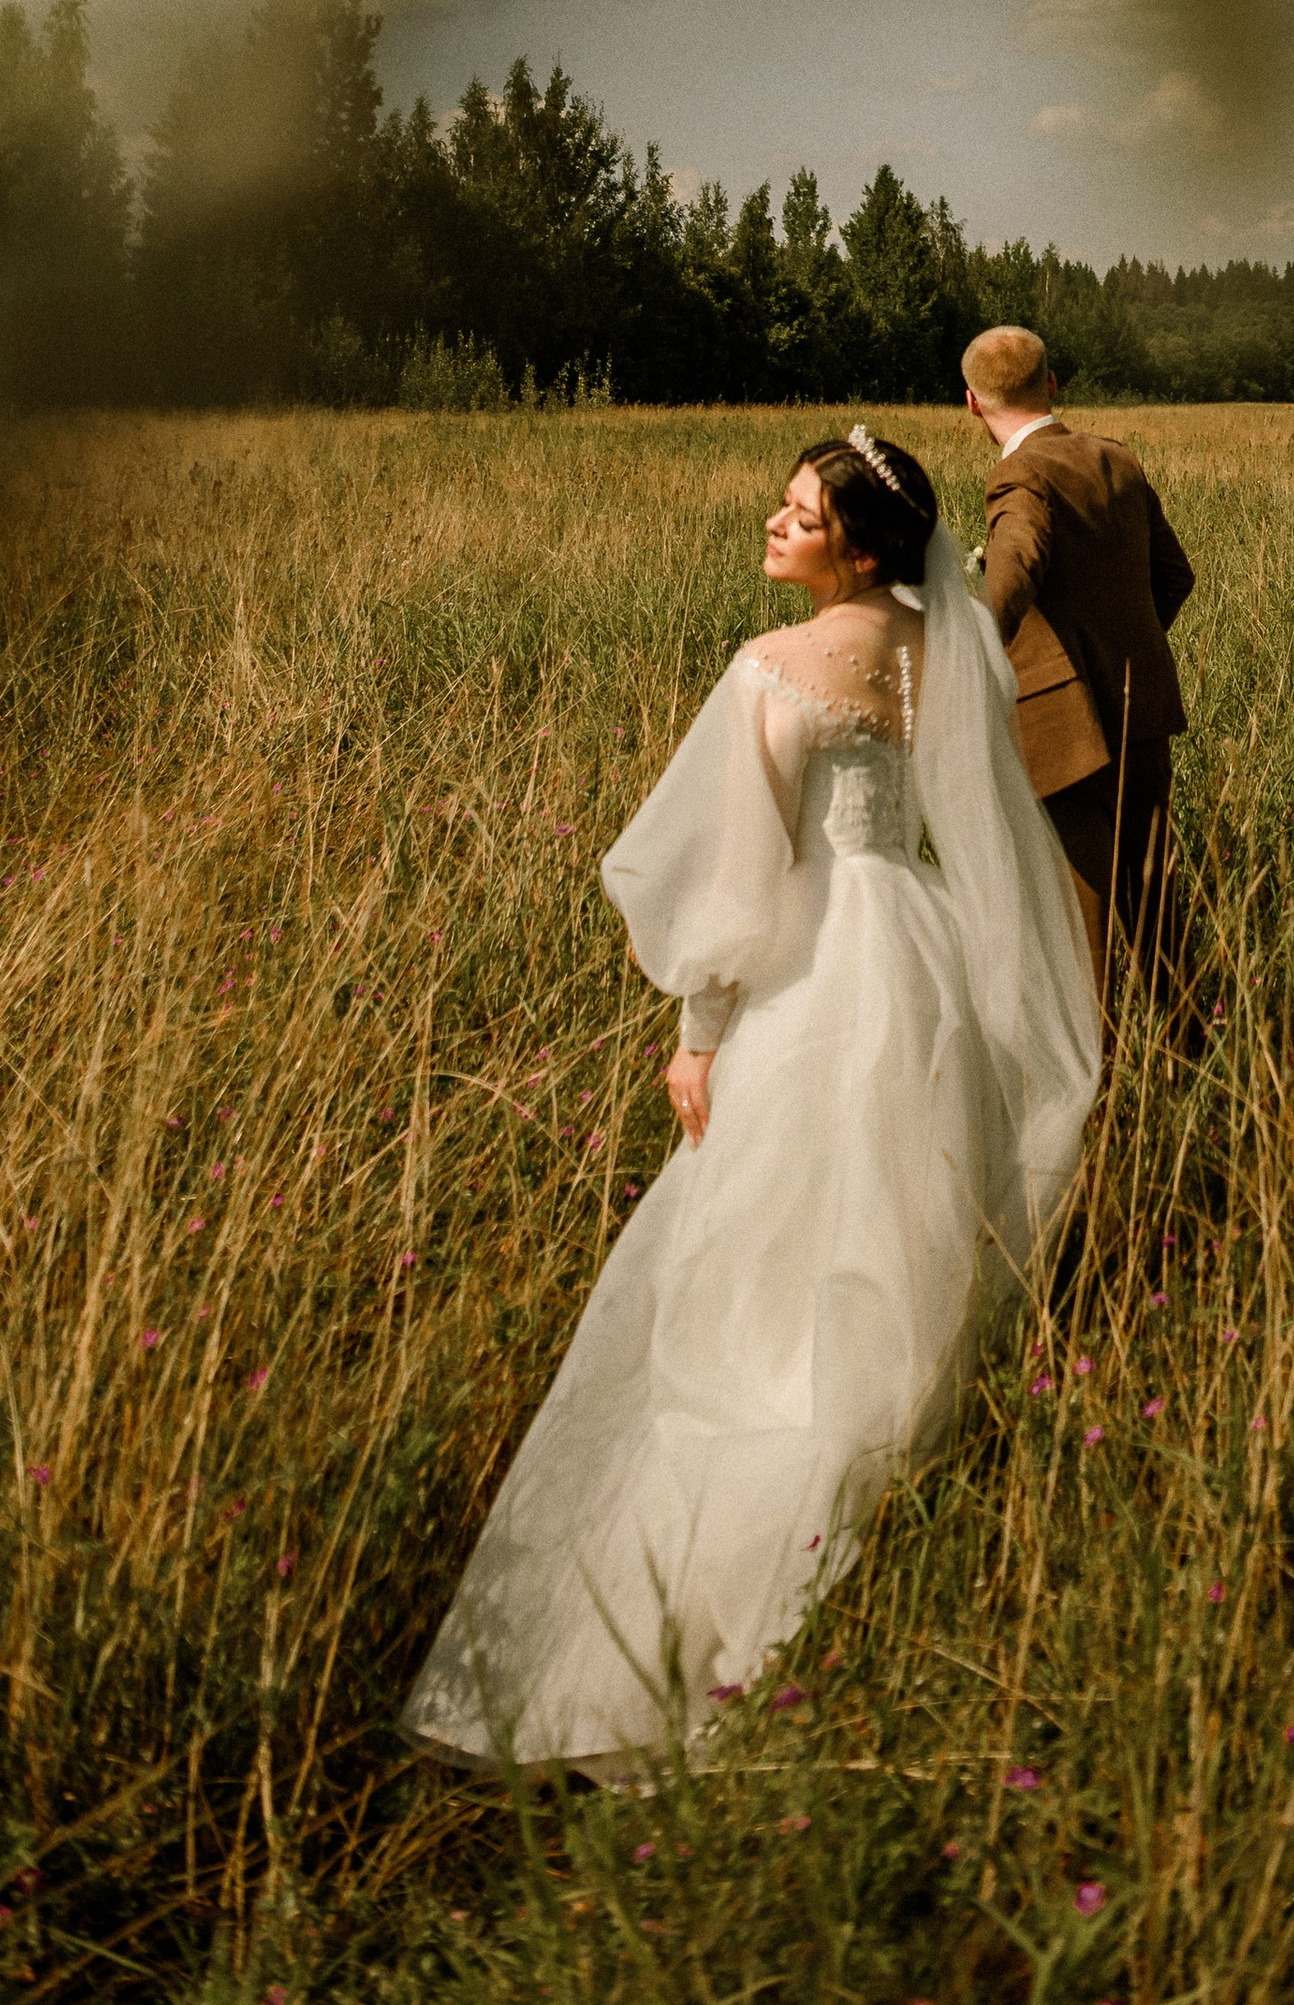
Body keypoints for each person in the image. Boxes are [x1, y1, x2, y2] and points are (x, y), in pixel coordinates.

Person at [400, 428, 1099, 1783]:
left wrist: (699, 1031)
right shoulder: (935, 636)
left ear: (861, 541)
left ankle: (688, 1638)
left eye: (800, 512)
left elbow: (736, 876)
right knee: (894, 1255)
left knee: (749, 1288)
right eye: (782, 503)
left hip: (814, 981)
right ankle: (861, 1548)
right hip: (918, 954)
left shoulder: (771, 668)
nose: (774, 524)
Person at [962, 325, 1193, 1007]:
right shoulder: (1118, 459)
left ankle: (1104, 1100)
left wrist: (965, 658)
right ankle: (1191, 1059)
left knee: (1082, 934)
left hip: (1066, 735)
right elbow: (1174, 577)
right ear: (1053, 384)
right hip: (1143, 715)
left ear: (972, 401)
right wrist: (1123, 654)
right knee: (1158, 918)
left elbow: (1014, 570)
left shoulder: (1019, 472)